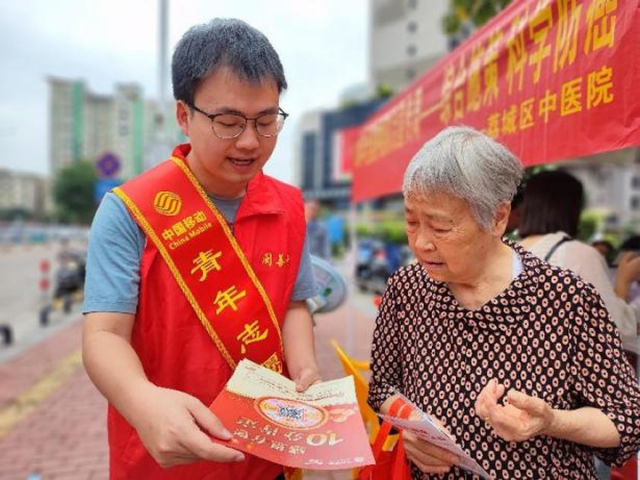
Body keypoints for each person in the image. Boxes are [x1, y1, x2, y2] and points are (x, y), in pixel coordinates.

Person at [82, 19, 320, 480]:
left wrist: (306, 368)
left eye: (267, 120)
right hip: (165, 457)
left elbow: (293, 302)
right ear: (184, 115)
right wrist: (142, 400)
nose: (250, 141)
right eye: (229, 122)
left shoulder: (288, 206)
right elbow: (104, 336)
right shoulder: (130, 211)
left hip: (265, 456)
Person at [368, 126, 640, 479]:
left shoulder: (567, 300)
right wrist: (409, 427)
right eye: (411, 221)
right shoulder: (407, 289)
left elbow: (626, 420)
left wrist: (553, 421)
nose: (421, 243)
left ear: (497, 218)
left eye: (440, 227)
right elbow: (383, 388)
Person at [519, 170, 640, 337]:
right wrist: (624, 282)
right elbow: (614, 327)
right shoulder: (580, 255)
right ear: (571, 208)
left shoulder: (511, 252)